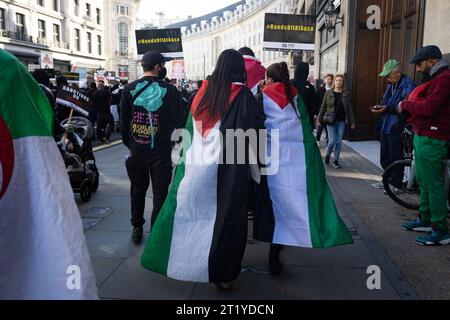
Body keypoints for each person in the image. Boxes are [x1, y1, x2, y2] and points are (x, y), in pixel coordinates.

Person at [140, 49, 265, 291]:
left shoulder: (202, 94)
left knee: (192, 216)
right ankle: (223, 273)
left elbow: (188, 131)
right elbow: (256, 135)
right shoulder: (245, 98)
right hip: (231, 169)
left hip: (197, 168)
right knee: (228, 220)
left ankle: (185, 260)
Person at [254, 62, 353, 275]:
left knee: (271, 204)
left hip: (270, 160)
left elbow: (255, 126)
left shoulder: (262, 97)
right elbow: (307, 126)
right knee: (290, 201)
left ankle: (273, 247)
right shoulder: (297, 95)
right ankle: (279, 246)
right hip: (296, 160)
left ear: (269, 79)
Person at [120, 51, 185, 244]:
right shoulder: (170, 90)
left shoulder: (129, 89)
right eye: (162, 65)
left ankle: (136, 227)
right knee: (160, 191)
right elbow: (179, 120)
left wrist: (131, 144)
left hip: (137, 150)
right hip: (161, 150)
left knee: (137, 189)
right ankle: (156, 230)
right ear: (158, 67)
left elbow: (123, 123)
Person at [398, 45, 450, 246]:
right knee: (423, 180)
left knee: (432, 184)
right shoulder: (437, 79)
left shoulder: (444, 79)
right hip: (424, 136)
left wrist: (406, 105)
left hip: (433, 137)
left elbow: (430, 108)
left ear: (432, 61)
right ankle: (425, 219)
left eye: (420, 64)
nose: (418, 69)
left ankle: (440, 230)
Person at [371, 60, 416, 192]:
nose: (387, 78)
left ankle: (396, 184)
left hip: (397, 126)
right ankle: (387, 180)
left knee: (396, 156)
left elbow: (406, 108)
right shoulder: (392, 84)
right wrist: (381, 106)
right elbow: (386, 102)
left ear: (397, 72)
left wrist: (386, 108)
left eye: (388, 75)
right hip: (386, 125)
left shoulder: (408, 85)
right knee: (385, 156)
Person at [317, 75, 356, 169]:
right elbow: (323, 106)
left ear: (343, 83)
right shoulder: (329, 92)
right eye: (337, 80)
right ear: (334, 82)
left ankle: (335, 160)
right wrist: (319, 119)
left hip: (341, 121)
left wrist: (352, 122)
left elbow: (349, 108)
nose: (339, 82)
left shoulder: (346, 93)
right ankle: (327, 154)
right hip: (330, 120)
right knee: (332, 140)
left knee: (338, 141)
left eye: (341, 81)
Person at [292, 62, 318, 131]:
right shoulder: (310, 87)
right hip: (306, 119)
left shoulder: (290, 83)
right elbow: (314, 105)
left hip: (291, 118)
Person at [316, 74, 334, 142]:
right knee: (320, 127)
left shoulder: (333, 90)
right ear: (324, 80)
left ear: (332, 80)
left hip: (330, 113)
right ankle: (317, 140)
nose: (328, 80)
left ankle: (328, 145)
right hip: (321, 112)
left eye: (329, 79)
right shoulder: (320, 90)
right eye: (326, 79)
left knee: (328, 129)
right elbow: (317, 101)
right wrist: (316, 113)